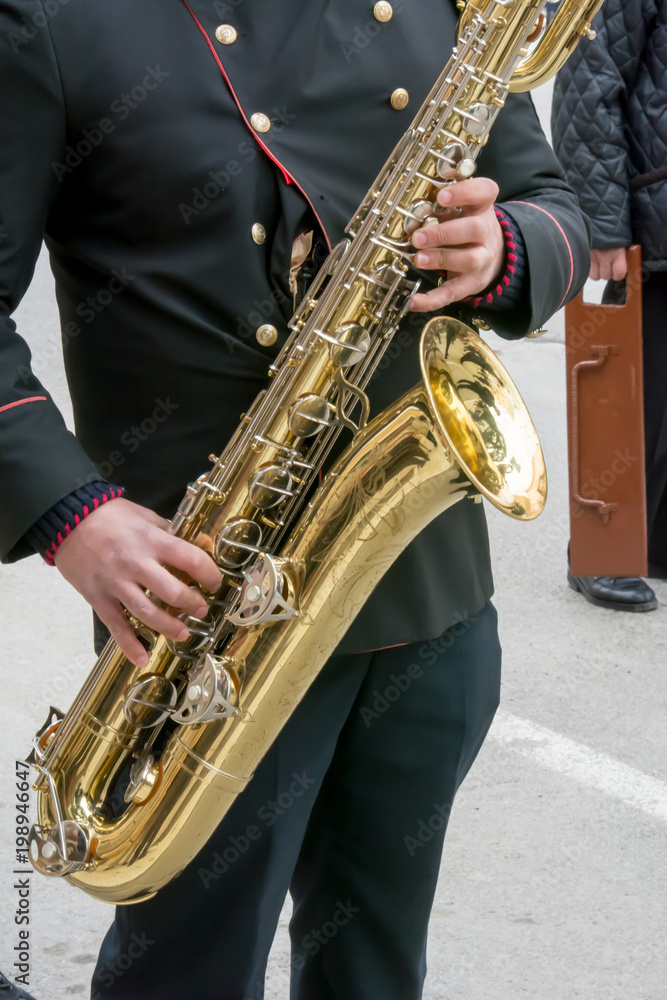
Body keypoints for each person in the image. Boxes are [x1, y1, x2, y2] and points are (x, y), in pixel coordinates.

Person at [0, 1, 591, 997]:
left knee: (373, 967)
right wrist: (73, 515)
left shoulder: (457, 10)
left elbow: (554, 206)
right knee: (184, 975)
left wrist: (503, 249)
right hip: (204, 621)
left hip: (424, 593)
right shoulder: (51, 21)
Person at [552, 0, 667, 612]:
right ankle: (601, 548)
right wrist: (600, 219)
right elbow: (586, 71)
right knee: (624, 386)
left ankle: (655, 542)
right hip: (647, 208)